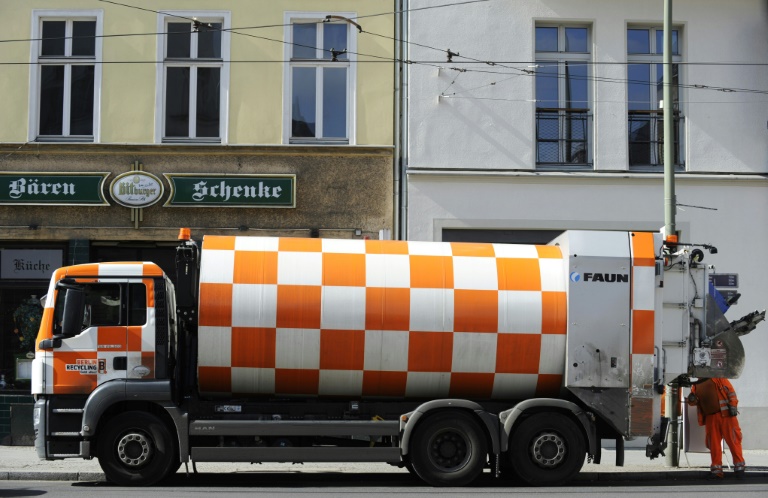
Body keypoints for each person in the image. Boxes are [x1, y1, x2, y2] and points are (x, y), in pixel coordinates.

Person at [687, 378, 745, 480]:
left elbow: (731, 392)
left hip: (726, 416)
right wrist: (691, 399)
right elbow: (694, 401)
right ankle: (717, 471)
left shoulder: (719, 378)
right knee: (714, 445)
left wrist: (733, 405)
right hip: (711, 417)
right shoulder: (696, 385)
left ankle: (739, 469)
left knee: (733, 441)